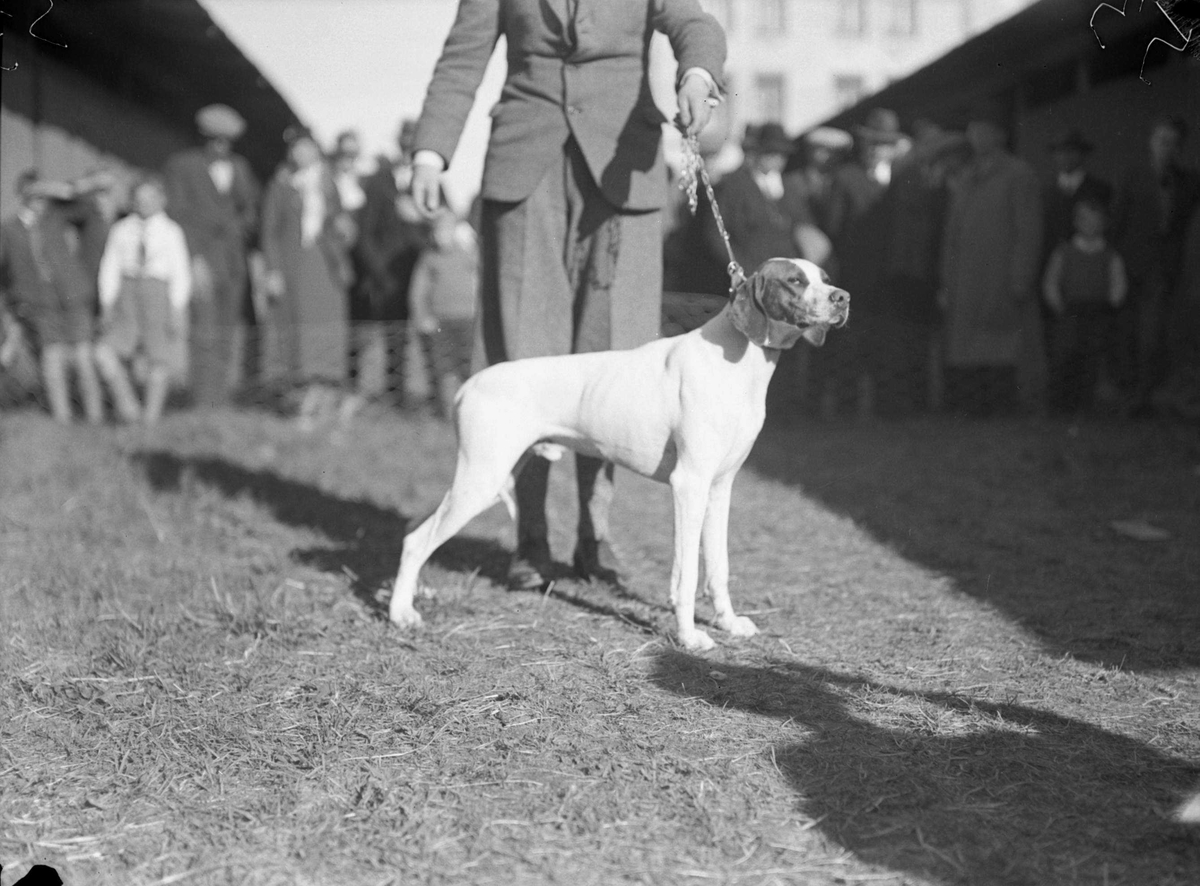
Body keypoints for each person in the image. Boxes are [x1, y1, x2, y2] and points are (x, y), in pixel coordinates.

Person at [409, 0, 726, 591]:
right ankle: (529, 536)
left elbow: (694, 23)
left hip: (622, 173)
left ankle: (594, 532)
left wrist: (698, 73)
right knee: (524, 358)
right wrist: (431, 151)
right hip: (525, 171)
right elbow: (462, 58)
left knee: (617, 359)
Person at [939, 103, 1044, 415]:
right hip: (966, 281)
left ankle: (1002, 406)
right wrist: (946, 279)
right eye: (973, 128)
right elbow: (951, 235)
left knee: (1001, 343)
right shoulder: (966, 177)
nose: (976, 135)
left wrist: (1020, 277)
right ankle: (971, 406)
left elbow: (1029, 231)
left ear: (1000, 135)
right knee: (967, 346)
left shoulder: (1018, 174)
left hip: (1000, 279)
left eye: (983, 128)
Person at [163, 103, 260, 409]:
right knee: (203, 331)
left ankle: (221, 399)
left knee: (227, 332)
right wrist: (193, 260)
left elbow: (250, 209)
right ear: (203, 137)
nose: (221, 146)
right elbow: (177, 214)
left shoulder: (241, 167)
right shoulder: (182, 165)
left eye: (227, 141)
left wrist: (238, 228)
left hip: (233, 263)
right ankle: (202, 401)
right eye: (215, 140)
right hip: (201, 261)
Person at [260, 126, 353, 422]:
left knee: (326, 325)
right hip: (292, 265)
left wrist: (342, 229)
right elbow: (269, 231)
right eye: (295, 148)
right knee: (295, 327)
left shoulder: (330, 183)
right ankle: (300, 398)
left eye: (306, 147)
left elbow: (343, 223)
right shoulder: (281, 184)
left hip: (325, 265)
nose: (301, 153)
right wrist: (272, 270)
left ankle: (324, 394)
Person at [1111, 115, 1200, 415]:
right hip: (1128, 265)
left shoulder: (1189, 181)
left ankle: (1142, 397)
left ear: (1180, 148)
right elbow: (1116, 222)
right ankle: (1125, 393)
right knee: (1125, 333)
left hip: (1162, 270)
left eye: (1173, 143)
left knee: (1152, 334)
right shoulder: (1132, 175)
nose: (1166, 148)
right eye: (1161, 140)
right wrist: (1114, 264)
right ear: (1151, 142)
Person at [0, 171, 105, 423]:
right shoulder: (8, 228)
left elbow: (89, 210)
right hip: (40, 304)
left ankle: (95, 419)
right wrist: (17, 302)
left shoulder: (56, 217)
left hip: (72, 296)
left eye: (42, 194)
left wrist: (65, 190)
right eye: (33, 193)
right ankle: (63, 419)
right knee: (52, 358)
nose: (39, 199)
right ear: (22, 194)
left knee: (83, 358)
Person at [93, 176, 193, 425]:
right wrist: (107, 303)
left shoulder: (171, 231)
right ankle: (128, 406)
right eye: (139, 199)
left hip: (157, 294)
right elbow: (110, 267)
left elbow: (180, 272)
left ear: (162, 200)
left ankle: (150, 419)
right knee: (105, 352)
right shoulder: (122, 229)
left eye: (151, 198)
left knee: (159, 357)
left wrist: (176, 308)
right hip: (126, 295)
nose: (145, 203)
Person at [354, 120, 429, 407]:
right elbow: (366, 233)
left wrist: (421, 219)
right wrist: (379, 272)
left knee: (427, 336)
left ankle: (431, 397)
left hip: (420, 272)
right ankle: (394, 394)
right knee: (392, 337)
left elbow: (444, 221)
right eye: (407, 142)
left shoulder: (431, 180)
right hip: (389, 275)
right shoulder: (379, 180)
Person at [1041, 195, 1128, 414]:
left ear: (1104, 224)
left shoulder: (1110, 255)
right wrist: (1058, 305)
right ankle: (1061, 402)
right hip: (1070, 311)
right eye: (1085, 220)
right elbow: (1051, 280)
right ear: (1076, 223)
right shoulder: (1064, 252)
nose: (1090, 226)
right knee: (1065, 355)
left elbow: (1118, 281)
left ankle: (1086, 403)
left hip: (1098, 312)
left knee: (1092, 357)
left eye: (1096, 221)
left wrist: (1113, 301)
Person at [408, 207, 479, 419]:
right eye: (437, 231)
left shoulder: (468, 253)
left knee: (469, 366)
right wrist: (422, 317)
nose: (441, 236)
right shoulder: (429, 259)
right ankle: (445, 412)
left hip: (467, 319)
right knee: (442, 368)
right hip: (440, 321)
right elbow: (418, 291)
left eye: (446, 230)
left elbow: (483, 276)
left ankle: (470, 410)